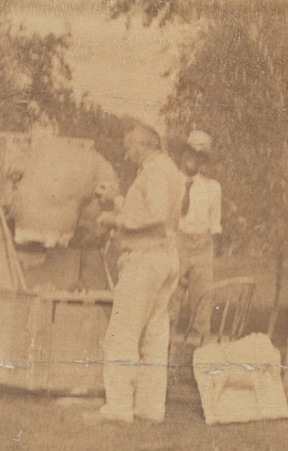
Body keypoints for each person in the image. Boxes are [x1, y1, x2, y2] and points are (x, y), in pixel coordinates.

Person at [88, 123, 184, 424]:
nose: (128, 155)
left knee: (122, 332)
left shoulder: (154, 171)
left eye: (130, 148)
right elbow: (154, 208)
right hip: (165, 257)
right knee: (155, 335)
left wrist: (115, 220)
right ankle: (150, 407)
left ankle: (118, 407)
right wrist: (117, 199)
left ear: (144, 145)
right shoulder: (169, 169)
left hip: (145, 259)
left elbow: (153, 214)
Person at [168, 130, 222, 339]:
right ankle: (165, 357)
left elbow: (214, 226)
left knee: (202, 307)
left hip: (202, 247)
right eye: (189, 152)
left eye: (199, 155)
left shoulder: (212, 187)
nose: (193, 157)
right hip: (176, 242)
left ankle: (201, 361)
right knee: (170, 304)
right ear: (182, 153)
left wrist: (205, 251)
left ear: (204, 159)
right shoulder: (171, 182)